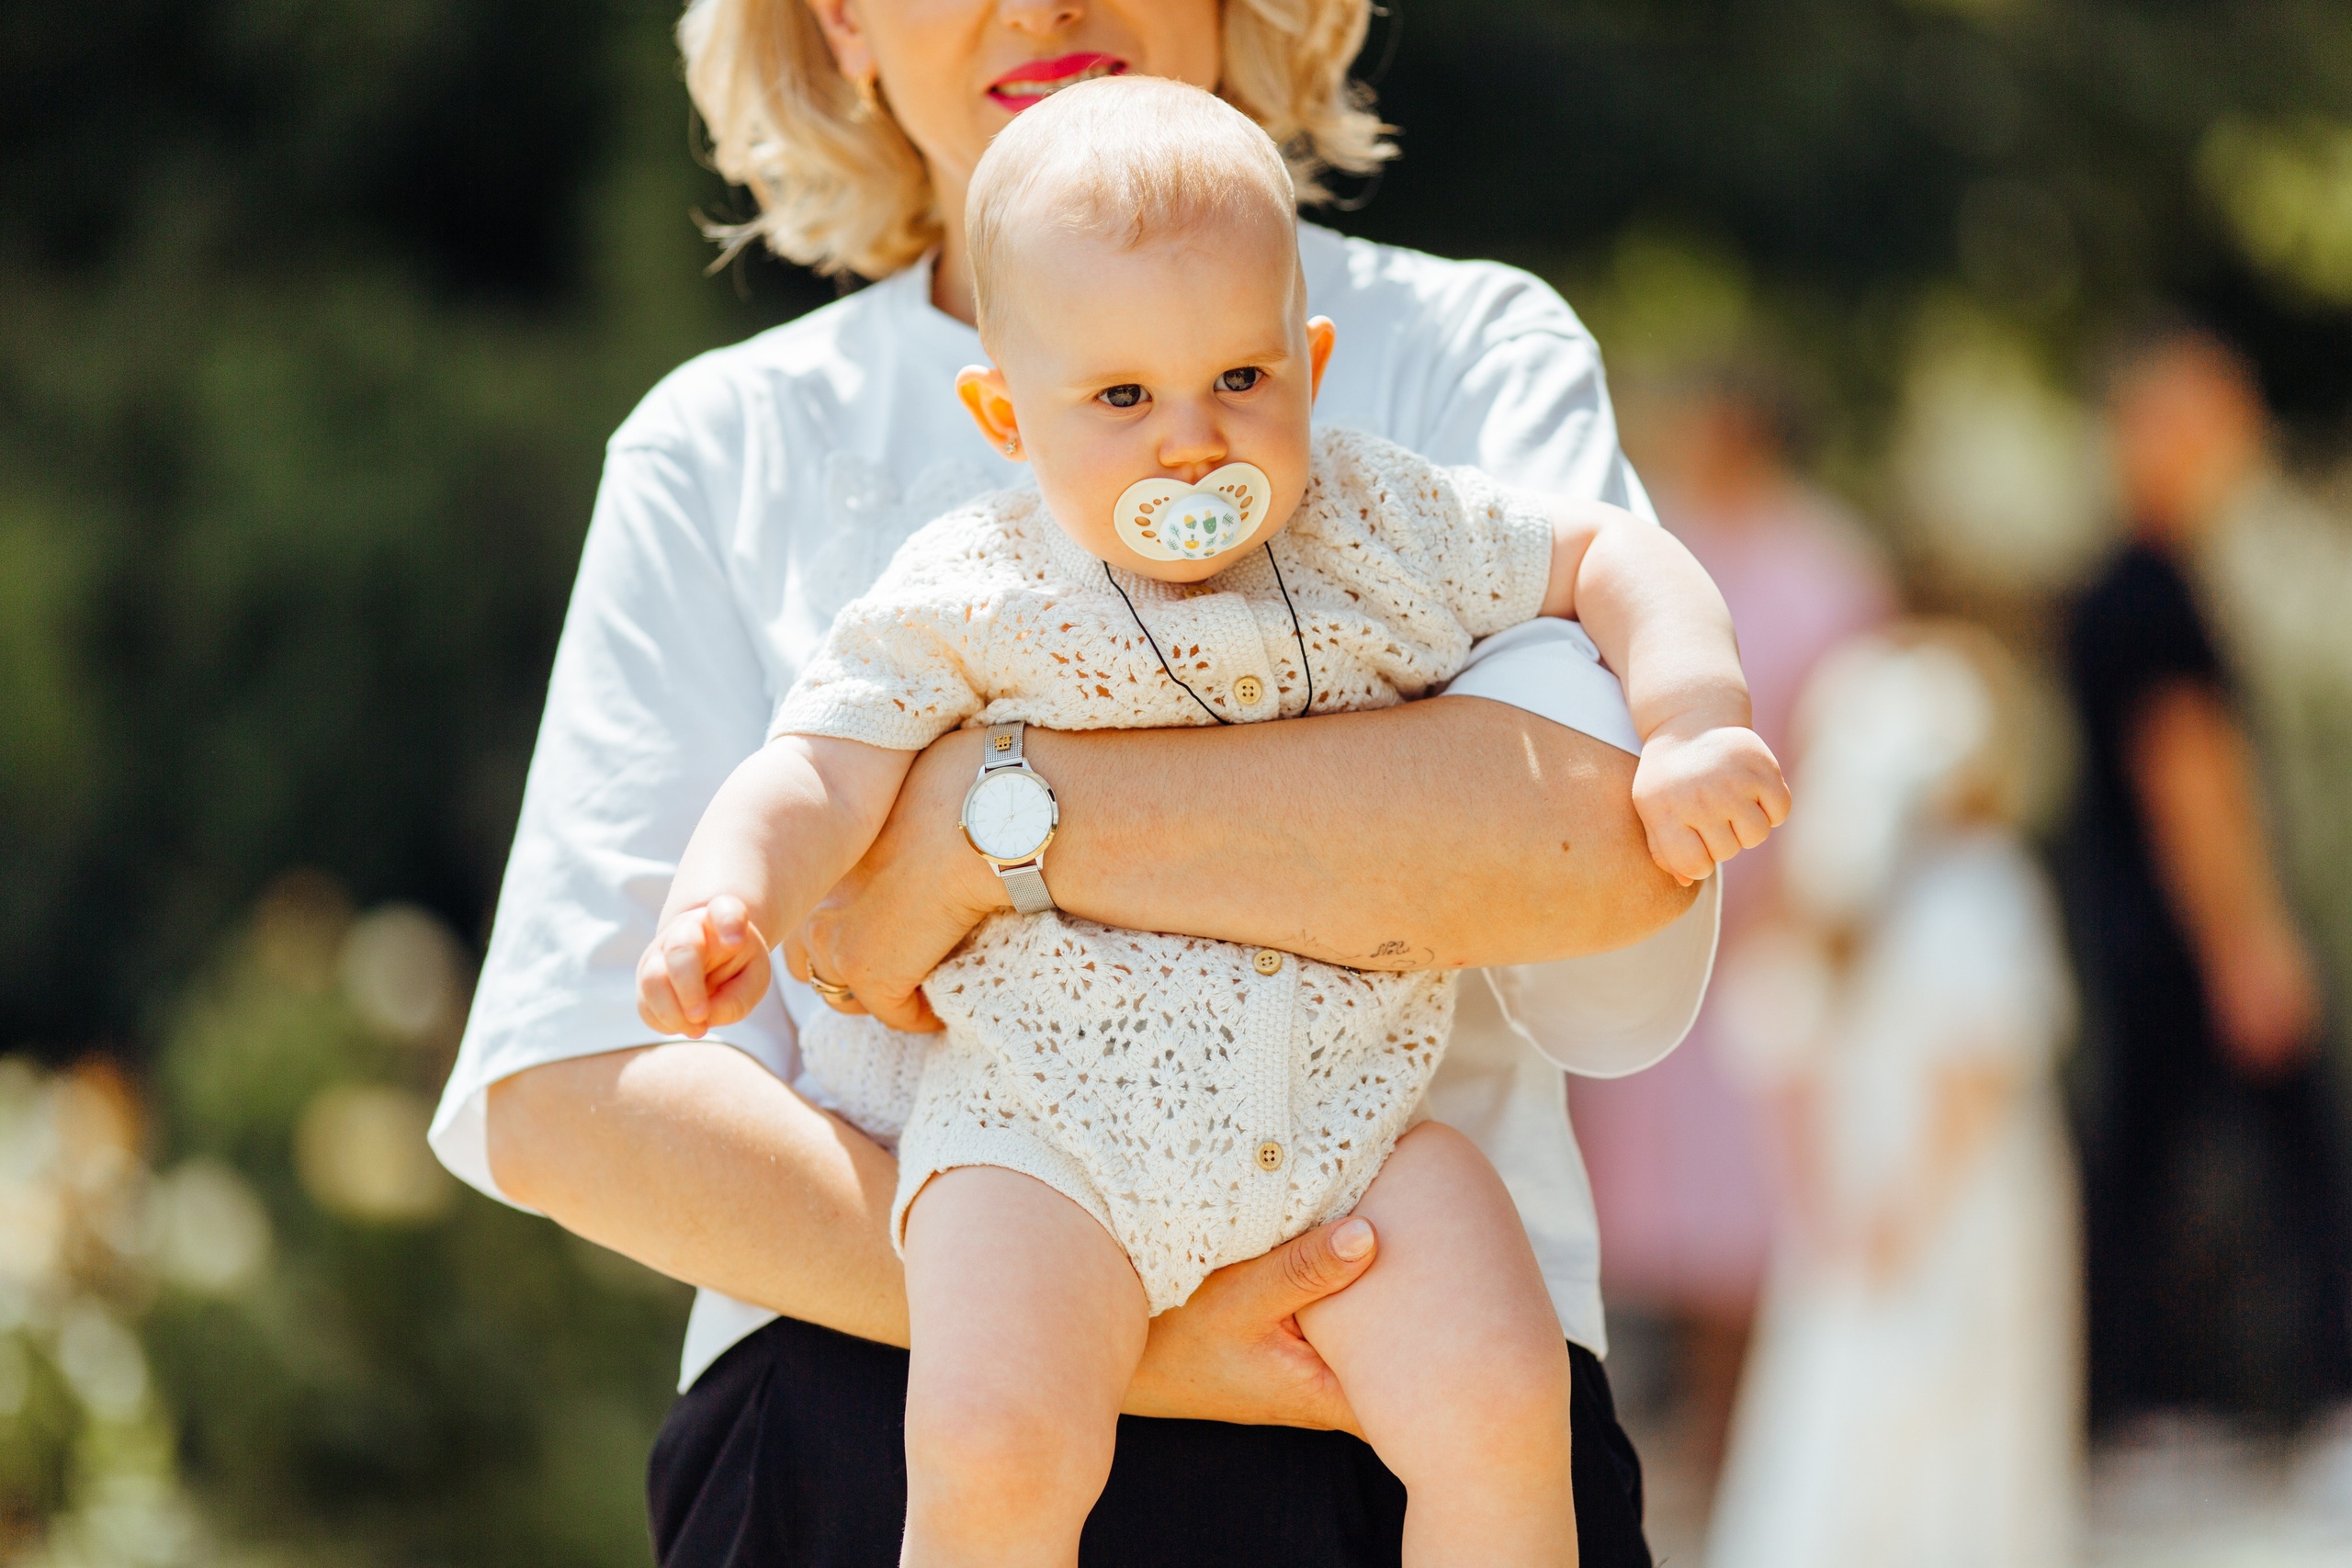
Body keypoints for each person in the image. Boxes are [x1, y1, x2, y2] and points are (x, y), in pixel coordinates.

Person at [429, 2, 1721, 1562]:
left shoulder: (1463, 356)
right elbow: (577, 1088)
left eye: (1245, 380)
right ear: (837, 18)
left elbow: (1594, 845)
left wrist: (991, 828)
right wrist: (1087, 1331)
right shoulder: (722, 447)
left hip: (1402, 1381)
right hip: (880, 1418)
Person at [1569, 365, 1892, 1480]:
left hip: (1773, 922)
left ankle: (1757, 1445)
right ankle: (1697, 1433)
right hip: (1665, 914)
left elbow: (1850, 748)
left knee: (1762, 1195)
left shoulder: (1823, 566)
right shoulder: (1661, 542)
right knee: (1671, 1205)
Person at [1704, 624, 2081, 1568]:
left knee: (1842, 1403)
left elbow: (1776, 1066)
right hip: (1956, 1200)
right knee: (1969, 1414)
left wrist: (1819, 1203)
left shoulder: (1826, 911)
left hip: (1849, 1194)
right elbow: (1974, 1072)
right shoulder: (1981, 889)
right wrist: (1904, 1207)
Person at [2060, 326, 2352, 1434]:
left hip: (2145, 936)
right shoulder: (2151, 597)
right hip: (2184, 939)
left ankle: (2130, 1409)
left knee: (2140, 1173)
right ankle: (2296, 1400)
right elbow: (2191, 784)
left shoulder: (2140, 585)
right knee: (2291, 1172)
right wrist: (2250, 944)